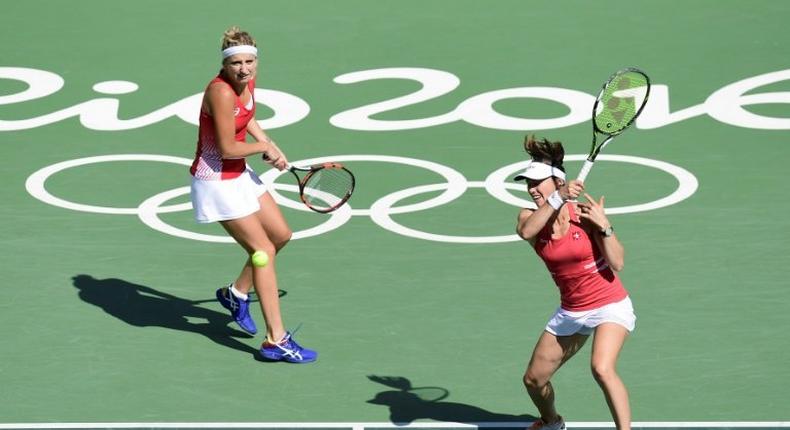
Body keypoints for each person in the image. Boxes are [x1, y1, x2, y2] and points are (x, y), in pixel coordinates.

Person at [188, 26, 316, 363]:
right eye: (236, 64)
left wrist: (270, 143)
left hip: (238, 174)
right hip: (216, 180)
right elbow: (229, 147)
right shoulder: (221, 92)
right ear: (225, 65)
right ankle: (276, 339)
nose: (244, 69)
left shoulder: (247, 84)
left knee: (280, 235)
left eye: (249, 62)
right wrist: (263, 147)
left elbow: (249, 119)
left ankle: (236, 293)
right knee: (262, 251)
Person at [514, 135, 636, 430]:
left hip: (609, 304)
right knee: (534, 380)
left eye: (537, 183)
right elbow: (527, 231)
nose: (531, 189)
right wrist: (558, 197)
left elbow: (618, 263)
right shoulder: (529, 217)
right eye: (528, 183)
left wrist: (604, 226)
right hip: (572, 311)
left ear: (557, 181)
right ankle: (552, 421)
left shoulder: (583, 215)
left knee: (602, 368)